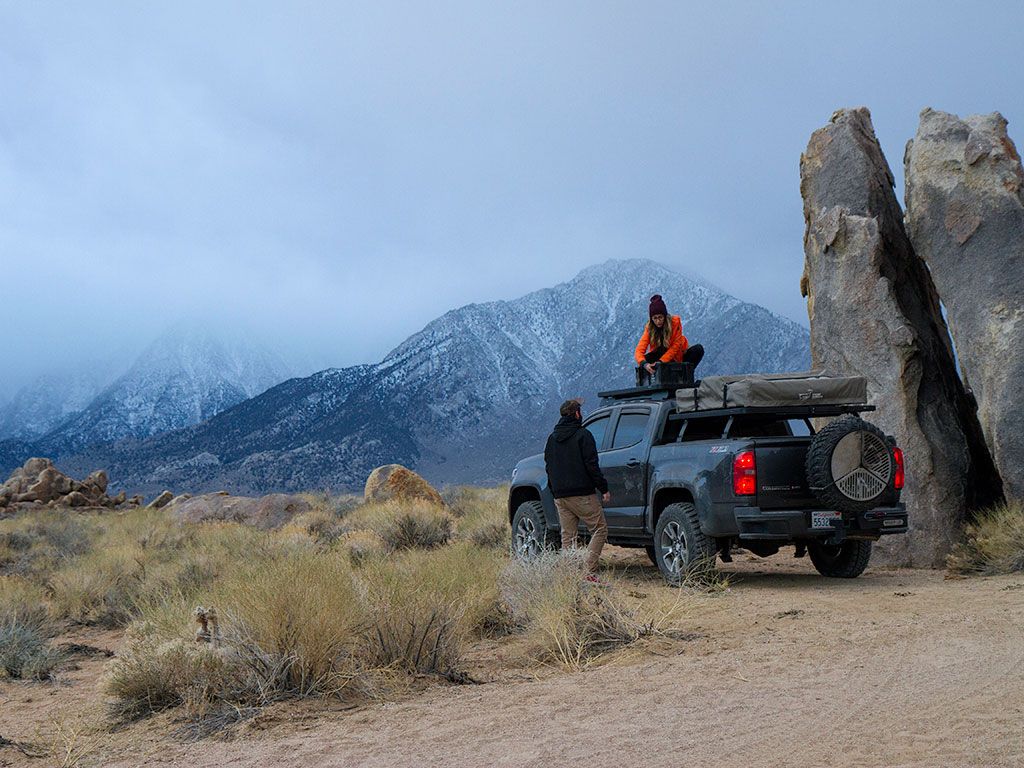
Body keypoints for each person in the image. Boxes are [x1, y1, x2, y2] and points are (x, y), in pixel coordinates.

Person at [543, 399, 610, 581]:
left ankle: (570, 575)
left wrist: (554, 490)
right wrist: (603, 488)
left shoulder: (552, 438)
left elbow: (548, 466)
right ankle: (589, 571)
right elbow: (592, 466)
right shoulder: (583, 435)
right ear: (577, 414)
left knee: (568, 536)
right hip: (582, 494)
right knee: (599, 529)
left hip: (560, 496)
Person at [634, 294, 704, 379]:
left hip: (679, 357)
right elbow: (639, 350)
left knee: (698, 349)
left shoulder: (675, 323)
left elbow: (676, 346)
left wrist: (661, 362)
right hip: (661, 356)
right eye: (655, 318)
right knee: (647, 358)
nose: (658, 321)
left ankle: (685, 377)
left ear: (665, 316)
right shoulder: (649, 328)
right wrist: (644, 364)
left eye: (660, 317)